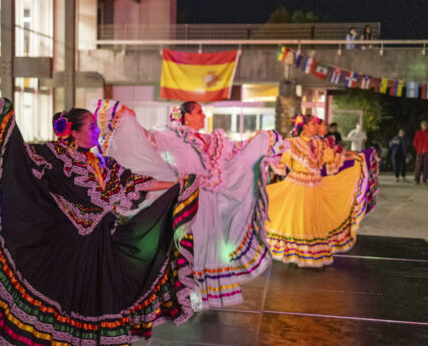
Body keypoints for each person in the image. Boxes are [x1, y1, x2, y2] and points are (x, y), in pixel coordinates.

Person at [0, 98, 198, 346]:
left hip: (99, 244)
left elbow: (137, 182)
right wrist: (3, 122)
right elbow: (20, 165)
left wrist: (179, 183)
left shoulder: (103, 163)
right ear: (73, 132)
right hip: (65, 245)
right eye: (91, 128)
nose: (97, 133)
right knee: (61, 300)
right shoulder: (53, 156)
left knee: (94, 301)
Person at [94, 99, 288, 311]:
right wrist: (127, 117)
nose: (203, 116)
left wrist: (260, 141)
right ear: (186, 116)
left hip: (208, 199)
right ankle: (187, 291)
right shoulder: (170, 135)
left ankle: (202, 293)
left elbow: (237, 150)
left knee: (209, 242)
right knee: (192, 243)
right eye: (199, 112)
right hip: (189, 198)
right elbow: (145, 139)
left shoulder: (209, 140)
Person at [266, 115, 374, 267]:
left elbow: (331, 158)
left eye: (315, 124)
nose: (315, 126)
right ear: (304, 127)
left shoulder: (318, 143)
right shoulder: (291, 143)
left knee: (312, 218)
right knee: (299, 219)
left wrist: (354, 157)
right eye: (312, 124)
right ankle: (299, 253)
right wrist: (267, 158)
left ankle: (309, 254)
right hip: (297, 187)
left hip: (315, 187)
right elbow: (280, 163)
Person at [413, 120, 428, 185]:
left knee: (426, 166)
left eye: (425, 125)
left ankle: (424, 180)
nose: (424, 126)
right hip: (419, 152)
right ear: (421, 126)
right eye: (423, 125)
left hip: (427, 152)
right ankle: (416, 180)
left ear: (427, 126)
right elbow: (415, 142)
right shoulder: (418, 133)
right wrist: (418, 149)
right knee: (418, 166)